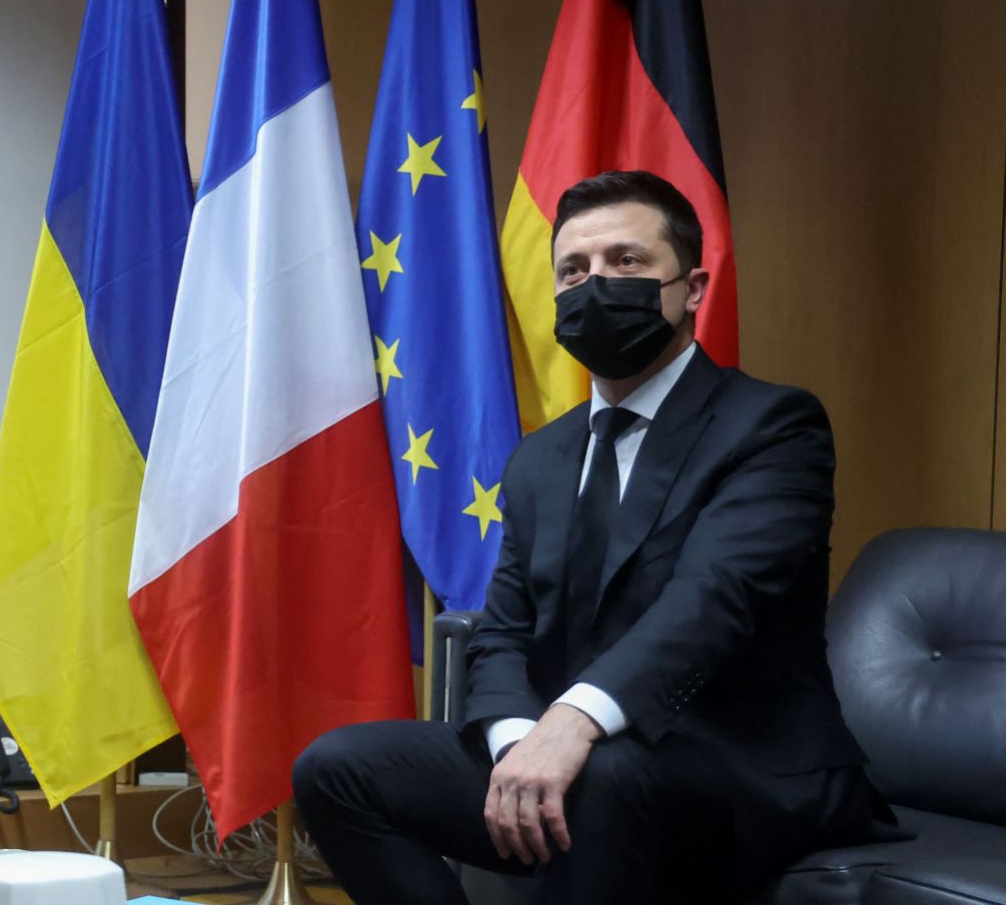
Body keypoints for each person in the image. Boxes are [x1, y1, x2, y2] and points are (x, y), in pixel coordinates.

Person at [292, 170, 893, 904]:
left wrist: (574, 722)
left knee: (596, 776)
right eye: (574, 270)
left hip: (742, 762)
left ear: (693, 289)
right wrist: (520, 743)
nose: (596, 283)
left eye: (626, 262)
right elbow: (504, 632)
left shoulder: (772, 427)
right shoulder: (540, 457)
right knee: (338, 767)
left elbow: (712, 603)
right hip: (584, 758)